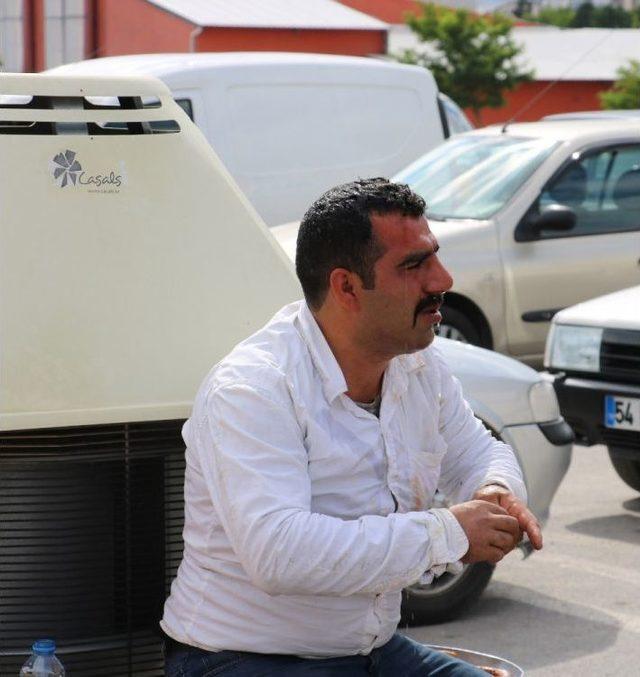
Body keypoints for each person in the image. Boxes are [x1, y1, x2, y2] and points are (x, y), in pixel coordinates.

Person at [161, 178, 542, 676]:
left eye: (434, 256)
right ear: (346, 287)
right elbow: (280, 553)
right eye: (414, 265)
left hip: (373, 652)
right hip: (244, 661)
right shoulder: (255, 386)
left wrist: (495, 490)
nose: (442, 280)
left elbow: (477, 450)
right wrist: (447, 534)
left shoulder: (417, 366)